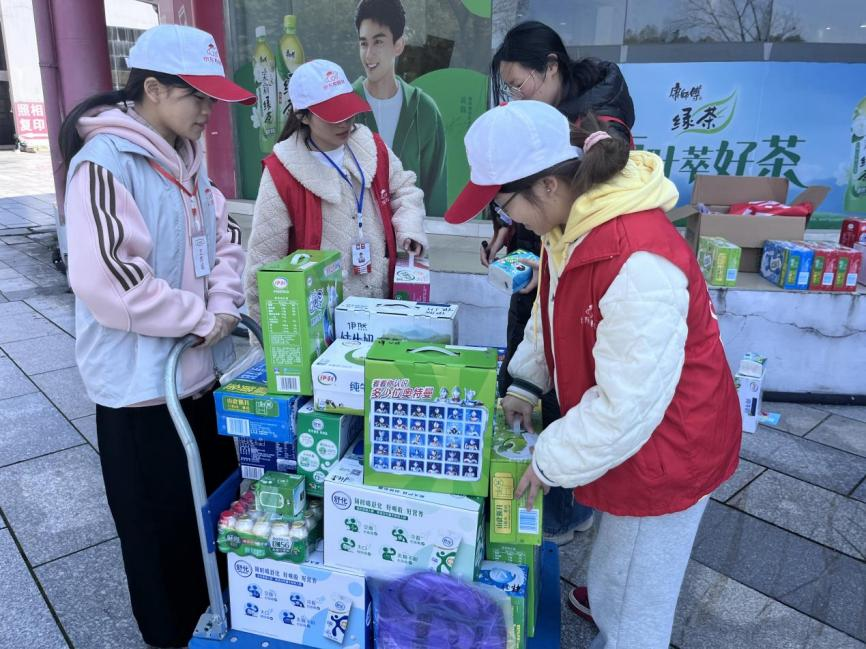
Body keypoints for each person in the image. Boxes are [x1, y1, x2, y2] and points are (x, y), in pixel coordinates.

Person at [445, 101, 741, 648]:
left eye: (505, 206)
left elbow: (626, 405)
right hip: (638, 436)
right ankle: (607, 601)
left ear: (548, 185)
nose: (510, 222)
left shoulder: (637, 261)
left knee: (634, 609)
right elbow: (552, 310)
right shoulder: (572, 224)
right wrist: (525, 383)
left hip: (670, 449)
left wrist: (550, 460)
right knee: (617, 567)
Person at [59, 25, 252, 648]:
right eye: (197, 95)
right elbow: (110, 281)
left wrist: (221, 306)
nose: (208, 110)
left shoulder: (189, 163)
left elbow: (226, 245)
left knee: (214, 519)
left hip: (199, 378)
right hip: (140, 392)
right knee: (159, 541)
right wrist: (199, 318)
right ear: (152, 89)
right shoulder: (104, 165)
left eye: (212, 98)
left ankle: (216, 626)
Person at [486, 20, 637, 547]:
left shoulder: (622, 249)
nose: (515, 97)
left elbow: (616, 401)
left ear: (551, 66)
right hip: (547, 269)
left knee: (571, 396)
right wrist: (510, 232)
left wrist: (551, 465)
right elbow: (548, 325)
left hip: (666, 467)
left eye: (519, 85)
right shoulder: (559, 227)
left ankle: (564, 511)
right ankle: (568, 503)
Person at [245, 59, 427, 321]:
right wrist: (264, 332)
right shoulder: (282, 171)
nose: (345, 122)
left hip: (379, 301)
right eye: (333, 115)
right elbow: (264, 260)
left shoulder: (371, 147)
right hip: (319, 317)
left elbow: (405, 189)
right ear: (303, 116)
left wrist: (409, 230)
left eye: (348, 110)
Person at [351, 0, 448, 217]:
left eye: (378, 42)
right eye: (364, 43)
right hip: (356, 233)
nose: (369, 55)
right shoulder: (345, 107)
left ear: (398, 45)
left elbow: (436, 195)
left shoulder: (424, 111)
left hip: (410, 234)